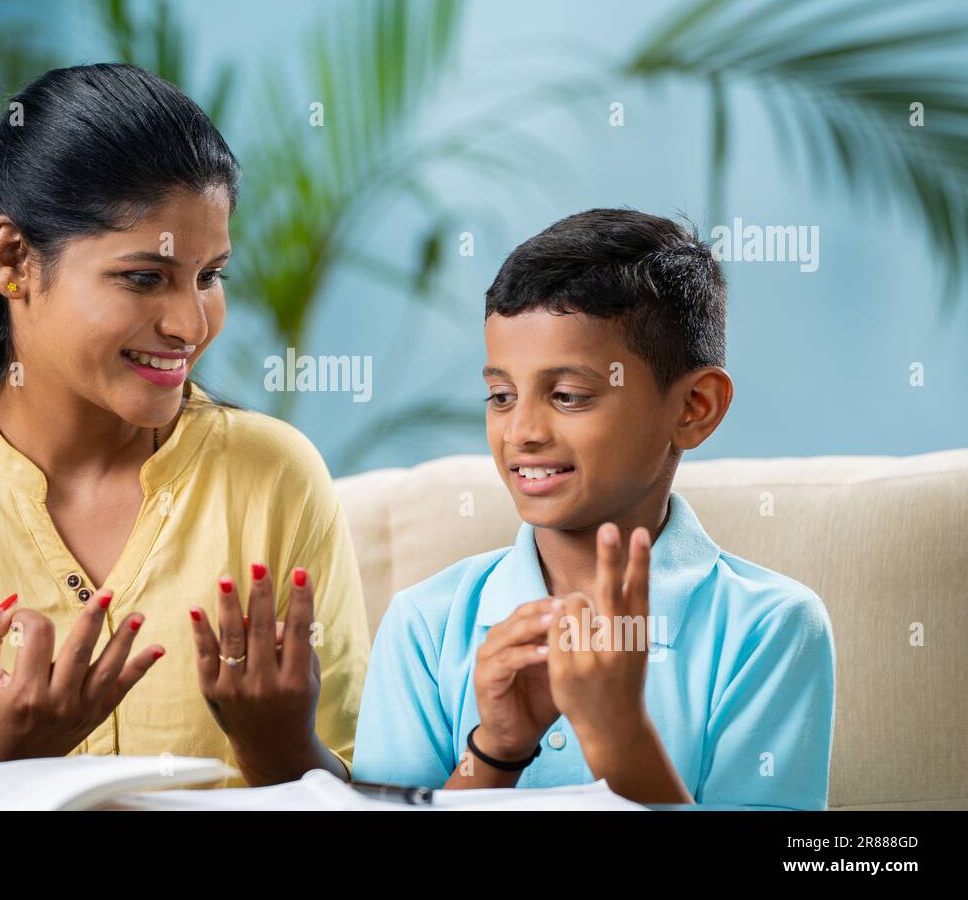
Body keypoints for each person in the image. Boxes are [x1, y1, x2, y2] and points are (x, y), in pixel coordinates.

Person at [0, 63, 370, 800]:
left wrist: (285, 750)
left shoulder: (275, 476)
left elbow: (368, 787)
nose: (190, 324)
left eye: (210, 274)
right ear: (12, 260)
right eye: (144, 278)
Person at [352, 209, 835, 808]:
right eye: (501, 396)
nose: (522, 431)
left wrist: (618, 735)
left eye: (569, 396)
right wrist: (497, 748)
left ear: (695, 408)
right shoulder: (425, 625)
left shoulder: (772, 628)